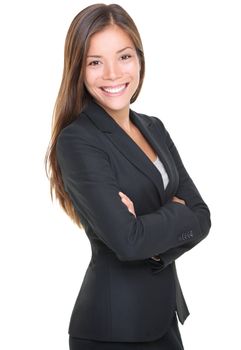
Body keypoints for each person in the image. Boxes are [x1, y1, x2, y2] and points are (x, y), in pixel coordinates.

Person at [45, 3, 211, 350]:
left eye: (123, 57)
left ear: (139, 60)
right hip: (113, 329)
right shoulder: (77, 141)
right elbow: (128, 241)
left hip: (163, 318)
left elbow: (203, 216)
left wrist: (150, 239)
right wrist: (175, 212)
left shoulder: (154, 128)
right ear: (79, 69)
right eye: (95, 62)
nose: (111, 73)